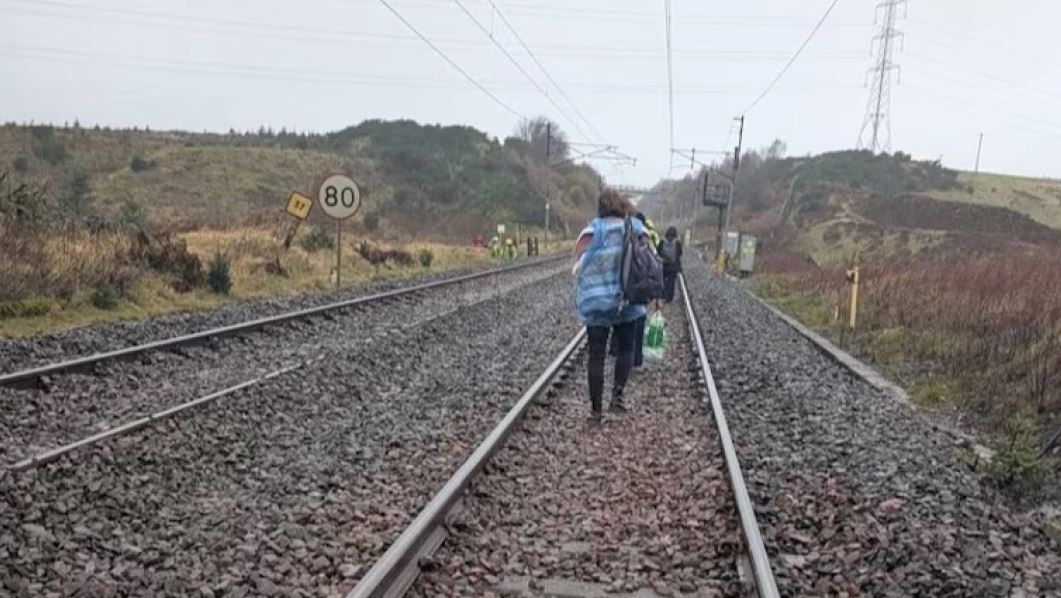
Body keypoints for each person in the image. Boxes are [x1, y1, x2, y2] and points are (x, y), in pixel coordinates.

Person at [573, 189, 648, 422]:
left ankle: (596, 410)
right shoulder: (637, 229)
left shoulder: (590, 232)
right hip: (628, 299)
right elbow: (649, 260)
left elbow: (577, 267)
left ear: (601, 208)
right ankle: (617, 397)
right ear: (623, 207)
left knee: (596, 354)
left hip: (596, 302)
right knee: (626, 349)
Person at [659, 226, 683, 302]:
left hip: (664, 265)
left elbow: (658, 251)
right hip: (673, 266)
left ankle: (663, 295)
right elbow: (680, 253)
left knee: (663, 280)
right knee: (671, 283)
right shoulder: (677, 243)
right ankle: (669, 298)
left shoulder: (662, 242)